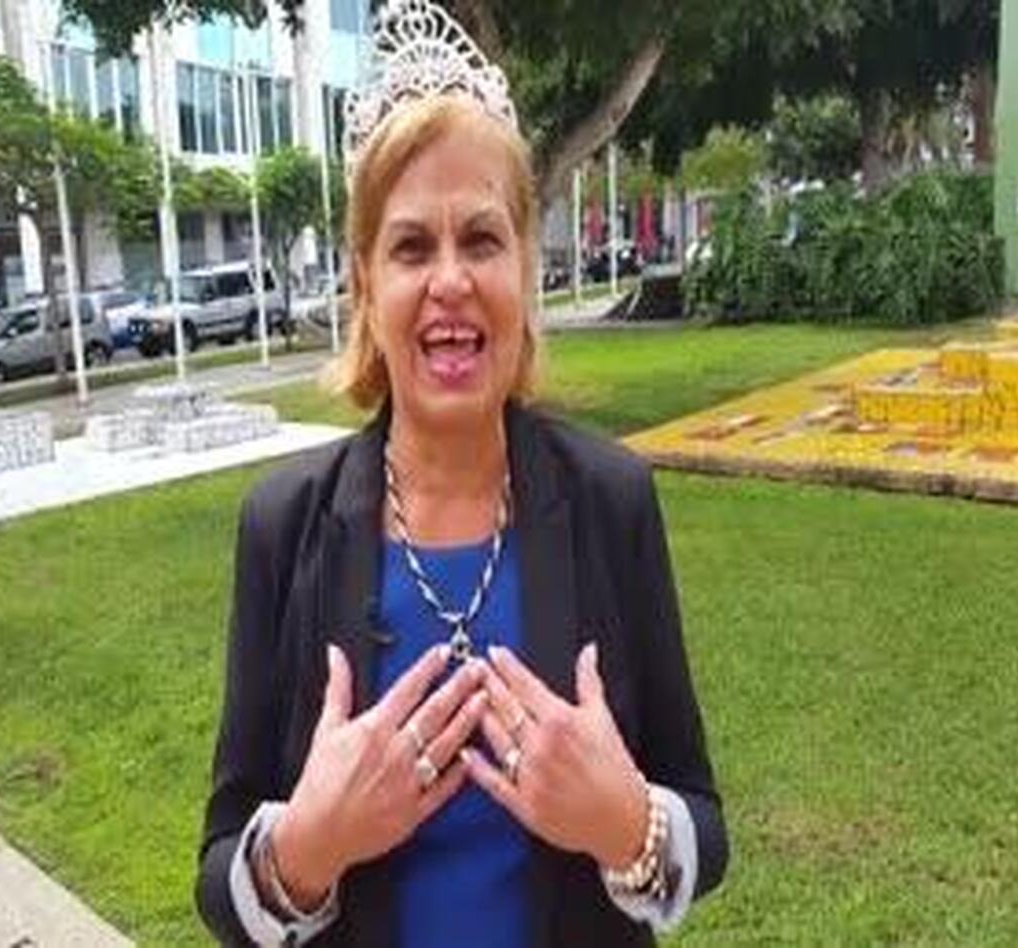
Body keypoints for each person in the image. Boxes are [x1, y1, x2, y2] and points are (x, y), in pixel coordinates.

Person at [195, 3, 727, 945]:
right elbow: (221, 872)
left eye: (481, 239)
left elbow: (701, 820)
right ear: (366, 284)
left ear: (524, 266)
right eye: (411, 247)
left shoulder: (612, 500)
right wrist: (310, 846)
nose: (450, 280)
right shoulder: (282, 524)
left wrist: (623, 824)